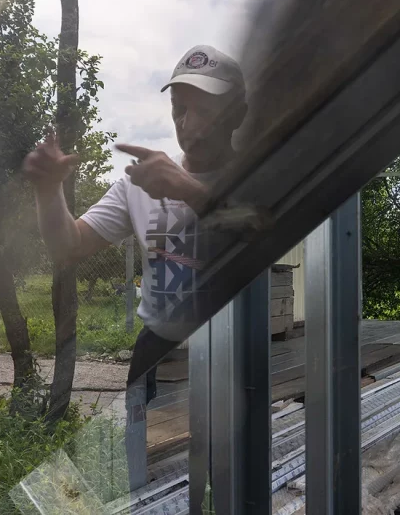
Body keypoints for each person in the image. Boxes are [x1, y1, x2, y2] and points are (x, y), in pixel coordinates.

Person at [23, 44, 248, 487]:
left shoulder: (263, 174)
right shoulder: (141, 184)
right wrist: (49, 192)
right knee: (145, 474)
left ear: (238, 113)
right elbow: (69, 246)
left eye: (205, 109)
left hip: (236, 347)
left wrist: (189, 191)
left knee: (233, 476)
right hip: (157, 350)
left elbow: (259, 230)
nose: (189, 124)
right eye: (179, 109)